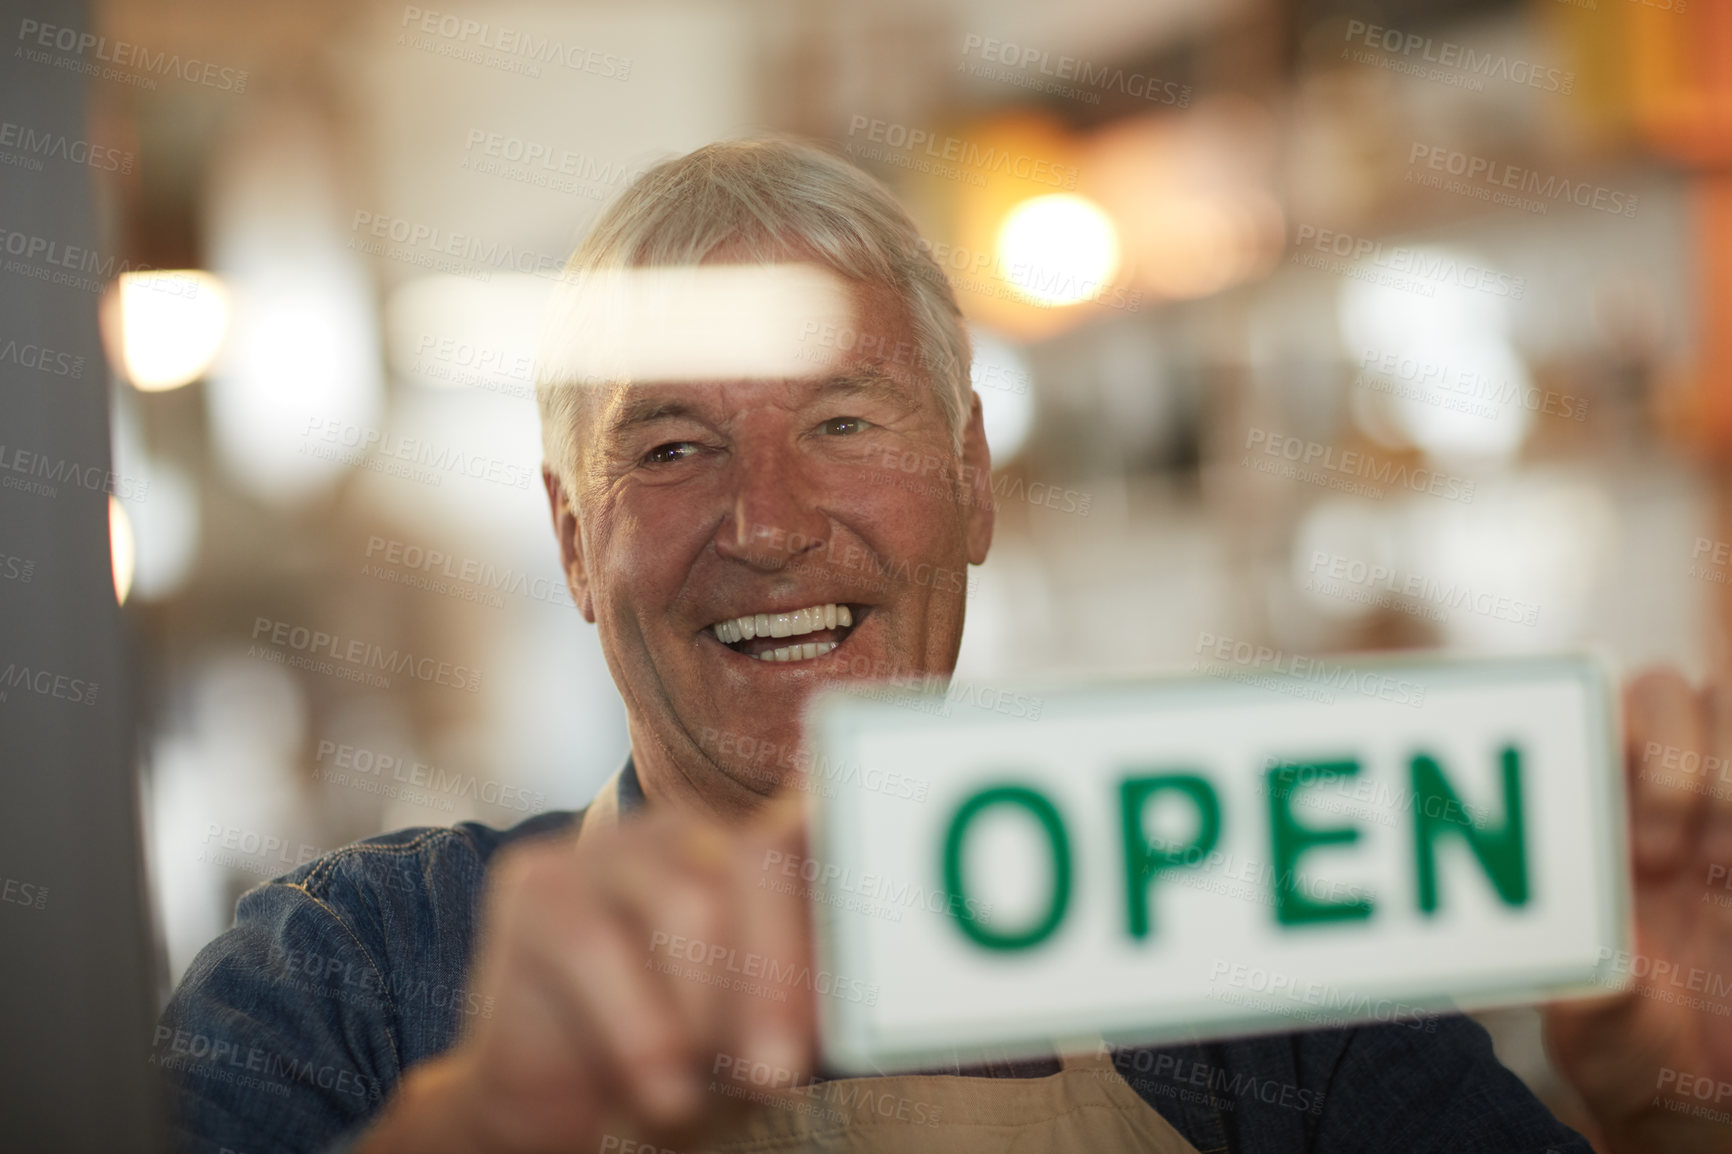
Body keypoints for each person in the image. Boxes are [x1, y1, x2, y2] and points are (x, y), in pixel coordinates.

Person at [158, 137, 1732, 1153]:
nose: (768, 524)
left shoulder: (1254, 944)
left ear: (972, 479)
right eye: (670, 448)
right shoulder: (359, 972)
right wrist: (492, 1123)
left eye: (845, 421)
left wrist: (1673, 1107)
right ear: (575, 540)